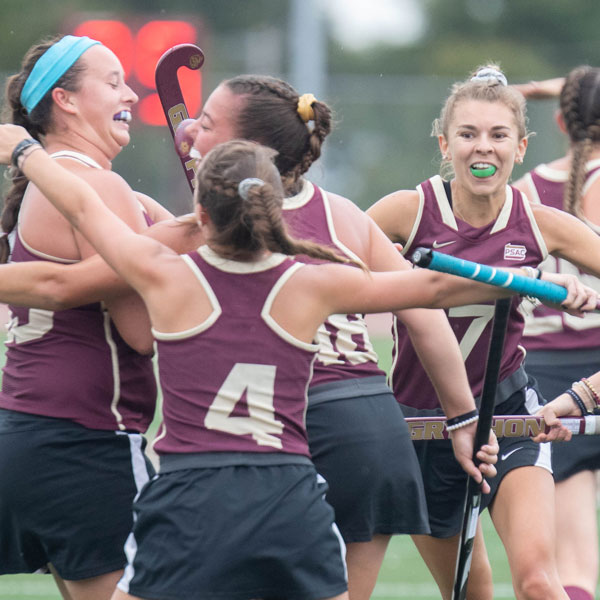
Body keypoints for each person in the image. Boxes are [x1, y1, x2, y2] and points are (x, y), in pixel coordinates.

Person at [0, 74, 504, 600]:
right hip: (293, 486)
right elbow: (431, 288)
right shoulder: (313, 282)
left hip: (196, 489)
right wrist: (539, 283)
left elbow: (81, 217)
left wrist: (29, 153)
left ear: (199, 216)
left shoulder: (164, 271)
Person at [367, 64, 600, 600]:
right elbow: (325, 272)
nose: (483, 148)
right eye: (468, 135)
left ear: (520, 147)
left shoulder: (541, 223)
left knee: (541, 582)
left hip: (510, 412)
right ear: (444, 143)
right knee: (472, 592)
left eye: (498, 136)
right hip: (423, 425)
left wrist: (580, 295)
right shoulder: (407, 211)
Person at [0, 35, 172, 600]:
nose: (130, 92)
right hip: (88, 442)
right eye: (114, 80)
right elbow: (144, 334)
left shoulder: (45, 185)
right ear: (66, 101)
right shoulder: (99, 185)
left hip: (25, 432)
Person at [512, 67, 600, 600]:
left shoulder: (523, 190)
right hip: (595, 371)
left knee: (573, 568)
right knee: (576, 568)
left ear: (561, 123)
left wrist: (550, 92)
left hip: (545, 378)